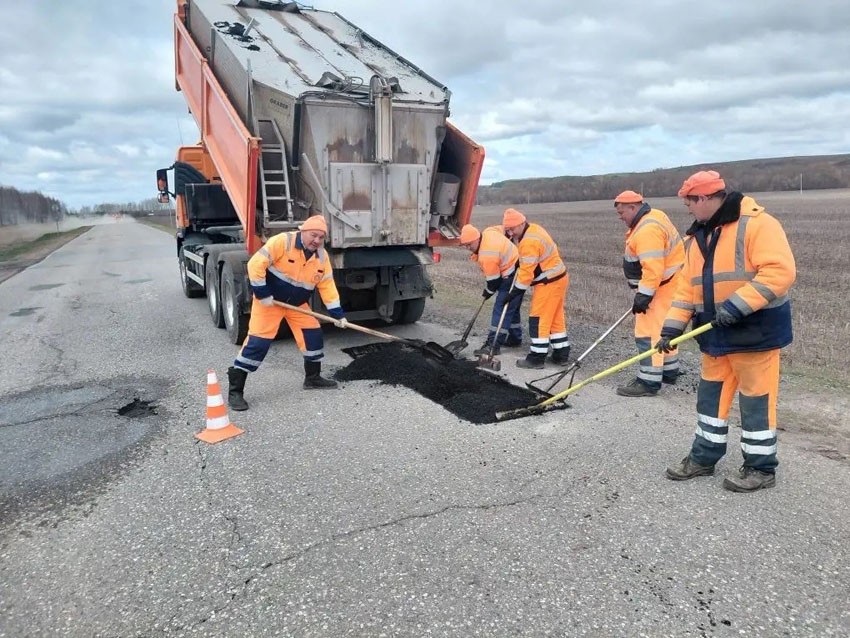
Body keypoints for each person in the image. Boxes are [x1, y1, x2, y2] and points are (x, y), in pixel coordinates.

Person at [656, 171, 796, 492]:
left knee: (756, 400)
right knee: (710, 398)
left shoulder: (758, 224)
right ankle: (703, 458)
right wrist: (672, 328)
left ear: (704, 198)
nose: (688, 209)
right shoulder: (696, 238)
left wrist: (736, 306)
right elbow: (687, 290)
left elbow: (779, 272)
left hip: (755, 333)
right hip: (715, 336)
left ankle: (760, 468)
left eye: (690, 203)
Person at [227, 215, 347, 410]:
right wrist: (262, 293)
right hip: (269, 303)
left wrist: (338, 315)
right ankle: (235, 392)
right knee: (258, 343)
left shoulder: (322, 257)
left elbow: (327, 286)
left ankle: (312, 378)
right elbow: (255, 264)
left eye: (320, 237)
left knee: (313, 335)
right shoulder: (283, 242)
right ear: (303, 231)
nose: (316, 240)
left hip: (297, 305)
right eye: (313, 235)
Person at [613, 190, 685, 397]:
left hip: (658, 288)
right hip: (671, 283)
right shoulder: (655, 215)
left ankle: (648, 381)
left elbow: (653, 268)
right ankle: (669, 372)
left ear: (633, 207)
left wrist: (644, 296)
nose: (620, 218)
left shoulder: (647, 231)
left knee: (647, 333)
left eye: (622, 213)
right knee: (666, 328)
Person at [501, 208, 570, 369]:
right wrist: (519, 262)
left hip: (549, 282)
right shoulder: (533, 229)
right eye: (508, 230)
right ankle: (561, 354)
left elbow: (526, 274)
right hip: (559, 278)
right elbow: (530, 259)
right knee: (555, 319)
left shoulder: (529, 241)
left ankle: (536, 358)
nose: (510, 233)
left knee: (537, 319)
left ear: (521, 224)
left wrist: (514, 293)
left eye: (512, 229)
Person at [458, 224, 524, 354]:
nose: (468, 248)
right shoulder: (489, 231)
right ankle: (515, 338)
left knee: (501, 307)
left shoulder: (486, 255)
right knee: (511, 307)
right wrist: (509, 245)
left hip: (512, 274)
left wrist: (487, 292)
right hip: (518, 268)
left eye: (469, 244)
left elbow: (494, 282)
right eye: (465, 245)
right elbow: (505, 229)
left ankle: (493, 345)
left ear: (477, 238)